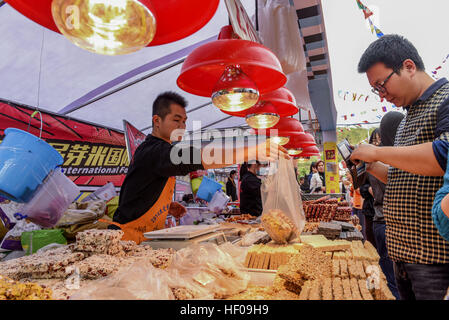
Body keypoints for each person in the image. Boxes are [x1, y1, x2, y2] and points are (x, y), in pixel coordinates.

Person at [110, 92, 288, 244]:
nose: (182, 127)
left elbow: (139, 189)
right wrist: (251, 150)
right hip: (126, 238)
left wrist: (165, 206)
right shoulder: (153, 151)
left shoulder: (161, 150)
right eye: (176, 120)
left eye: (184, 122)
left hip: (145, 238)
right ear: (157, 120)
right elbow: (204, 156)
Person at [350, 35, 449, 300]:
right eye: (376, 90)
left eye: (382, 84)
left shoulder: (445, 99)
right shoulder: (406, 119)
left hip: (435, 257)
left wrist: (378, 151)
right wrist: (370, 164)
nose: (383, 95)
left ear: (408, 66)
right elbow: (400, 176)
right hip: (402, 254)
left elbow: (444, 156)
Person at [365, 111, 404, 300]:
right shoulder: (394, 159)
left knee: (388, 273)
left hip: (379, 220)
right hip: (388, 223)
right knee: (394, 279)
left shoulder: (378, 159)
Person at [359, 129, 380, 249]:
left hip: (383, 212)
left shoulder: (391, 161)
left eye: (379, 139)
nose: (376, 143)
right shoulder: (367, 163)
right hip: (370, 208)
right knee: (370, 240)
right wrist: (369, 189)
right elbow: (361, 187)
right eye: (374, 140)